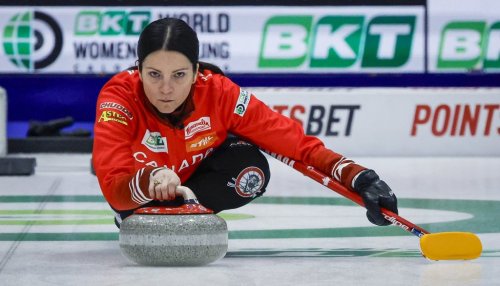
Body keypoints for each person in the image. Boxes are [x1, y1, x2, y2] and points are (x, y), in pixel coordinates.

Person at [92, 18, 398, 228]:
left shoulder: (220, 93)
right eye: (154, 74)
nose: (166, 88)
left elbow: (294, 144)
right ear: (139, 69)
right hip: (137, 194)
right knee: (125, 203)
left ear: (197, 71)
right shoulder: (118, 98)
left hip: (193, 185)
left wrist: (360, 178)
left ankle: (182, 213)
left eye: (179, 75)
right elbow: (114, 188)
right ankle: (149, 212)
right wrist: (150, 180)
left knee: (250, 168)